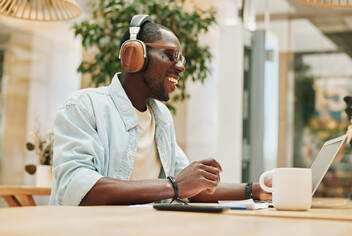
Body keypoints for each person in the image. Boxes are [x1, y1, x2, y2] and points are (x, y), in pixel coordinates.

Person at [49, 15, 271, 206]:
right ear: (134, 56)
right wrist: (173, 185)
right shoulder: (84, 107)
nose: (181, 66)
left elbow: (191, 188)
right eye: (171, 55)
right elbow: (77, 189)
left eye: (181, 59)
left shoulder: (161, 117)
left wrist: (257, 190)